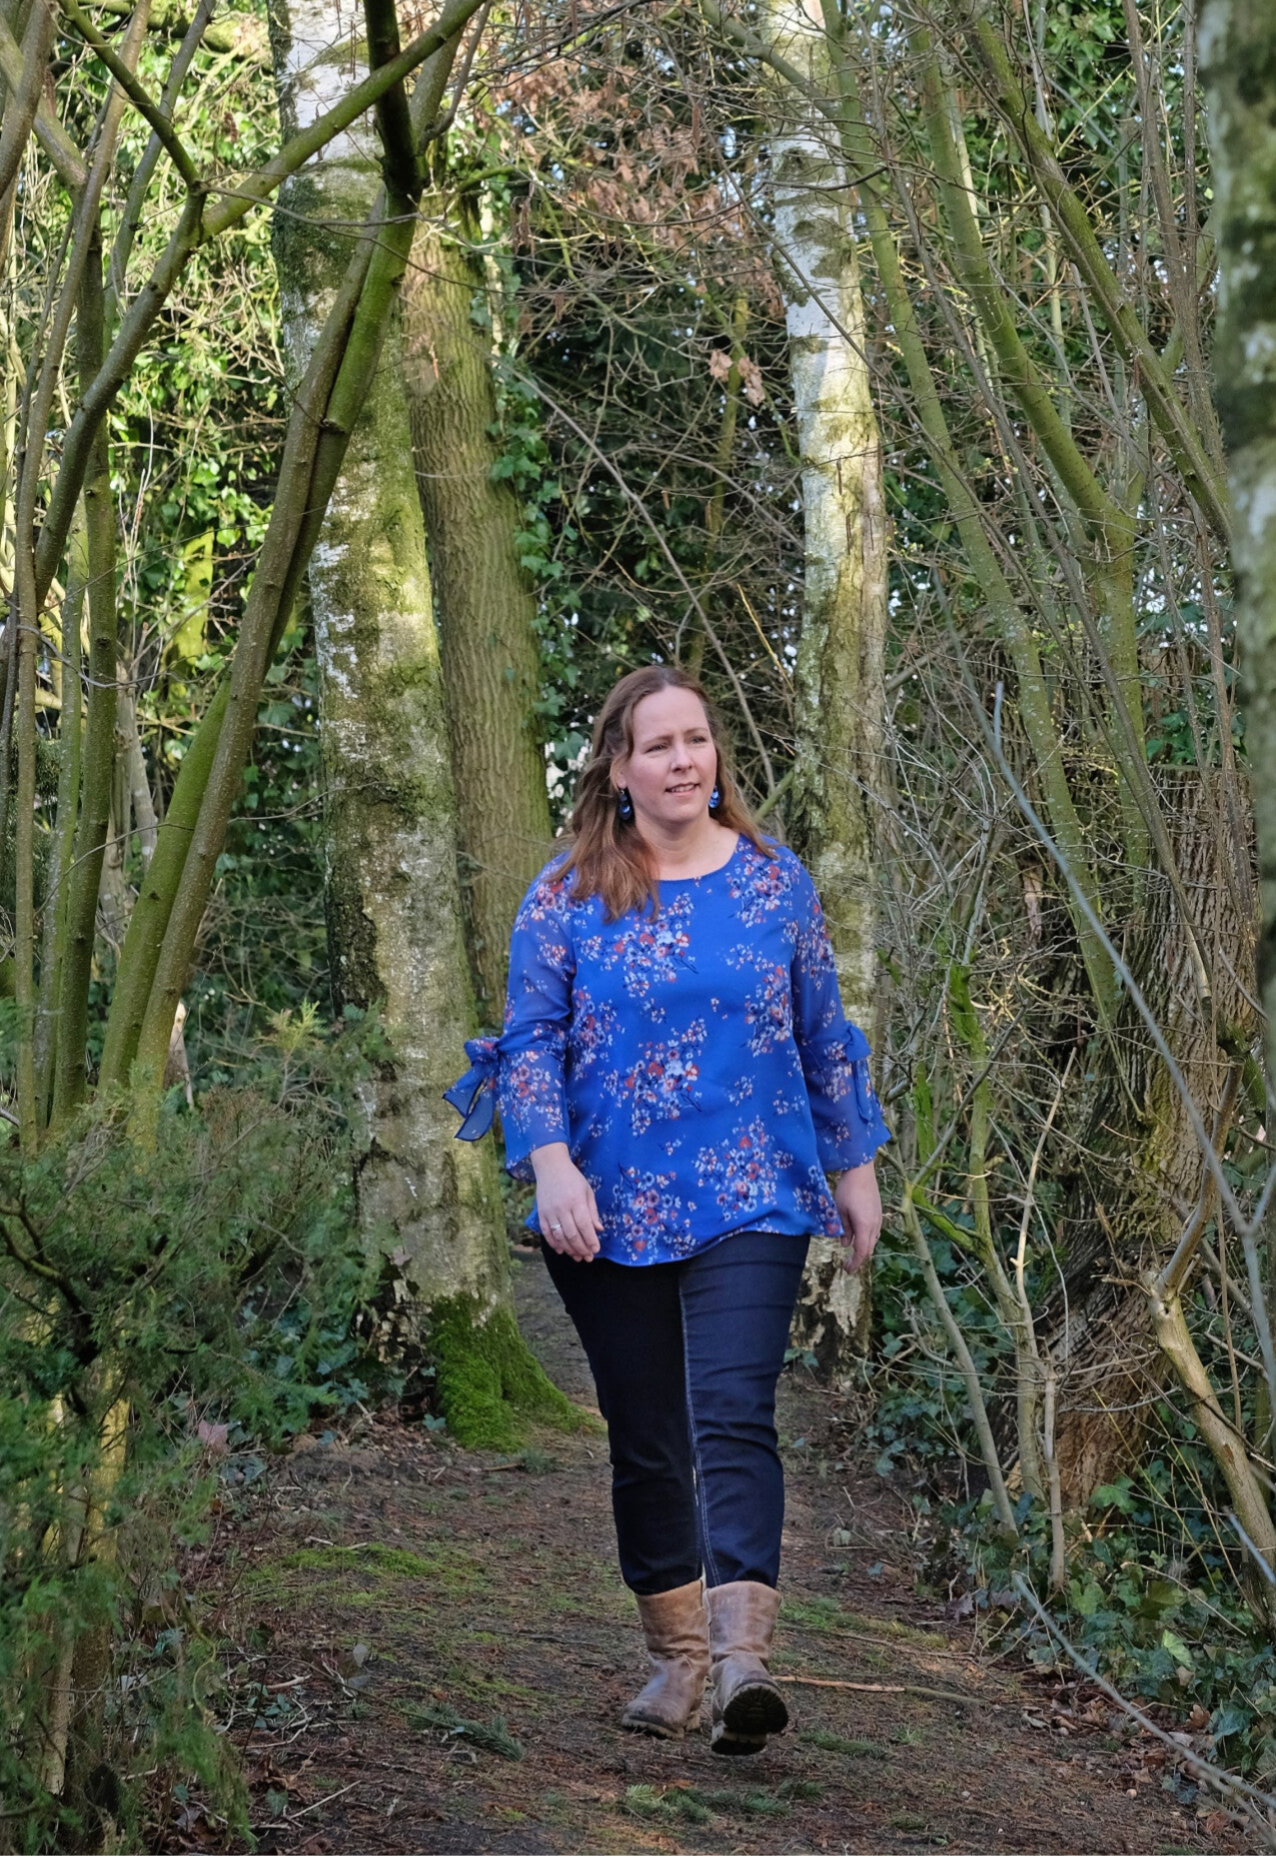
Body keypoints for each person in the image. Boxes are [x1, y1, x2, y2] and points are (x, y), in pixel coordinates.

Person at [444, 664, 888, 1754]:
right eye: (659, 744)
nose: (683, 759)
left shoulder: (774, 881)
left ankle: (743, 1659)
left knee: (731, 1409)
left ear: (714, 757)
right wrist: (549, 1164)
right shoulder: (565, 895)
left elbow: (822, 1031)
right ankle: (676, 1659)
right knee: (645, 1437)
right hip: (602, 1200)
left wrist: (853, 1164)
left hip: (750, 1187)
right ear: (618, 766)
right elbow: (529, 1042)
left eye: (697, 738)